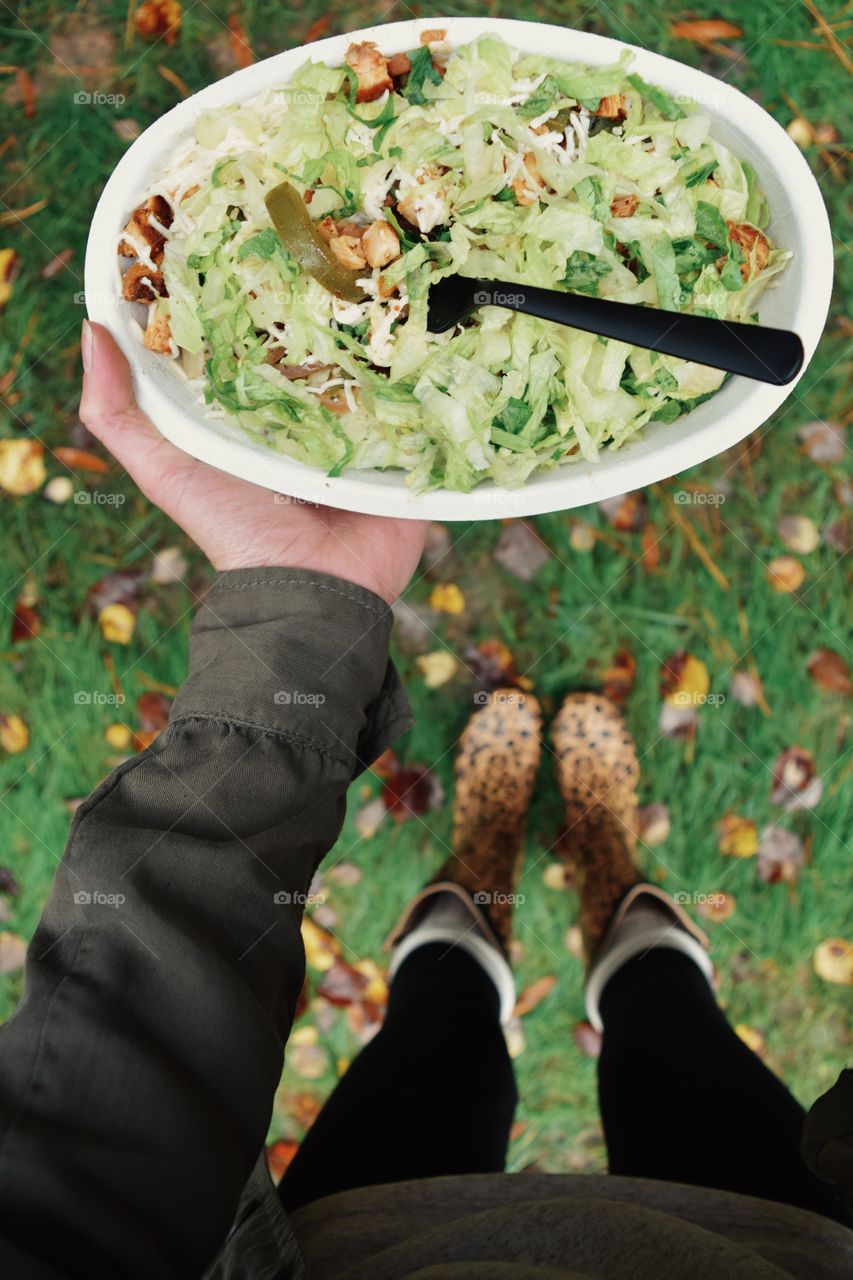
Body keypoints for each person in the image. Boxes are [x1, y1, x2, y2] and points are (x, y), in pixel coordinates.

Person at [0, 321, 849, 1280]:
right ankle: (597, 877)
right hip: (776, 1232)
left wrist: (299, 608)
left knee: (435, 1017)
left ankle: (492, 871)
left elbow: (78, 1146)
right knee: (669, 1014)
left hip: (370, 1232)